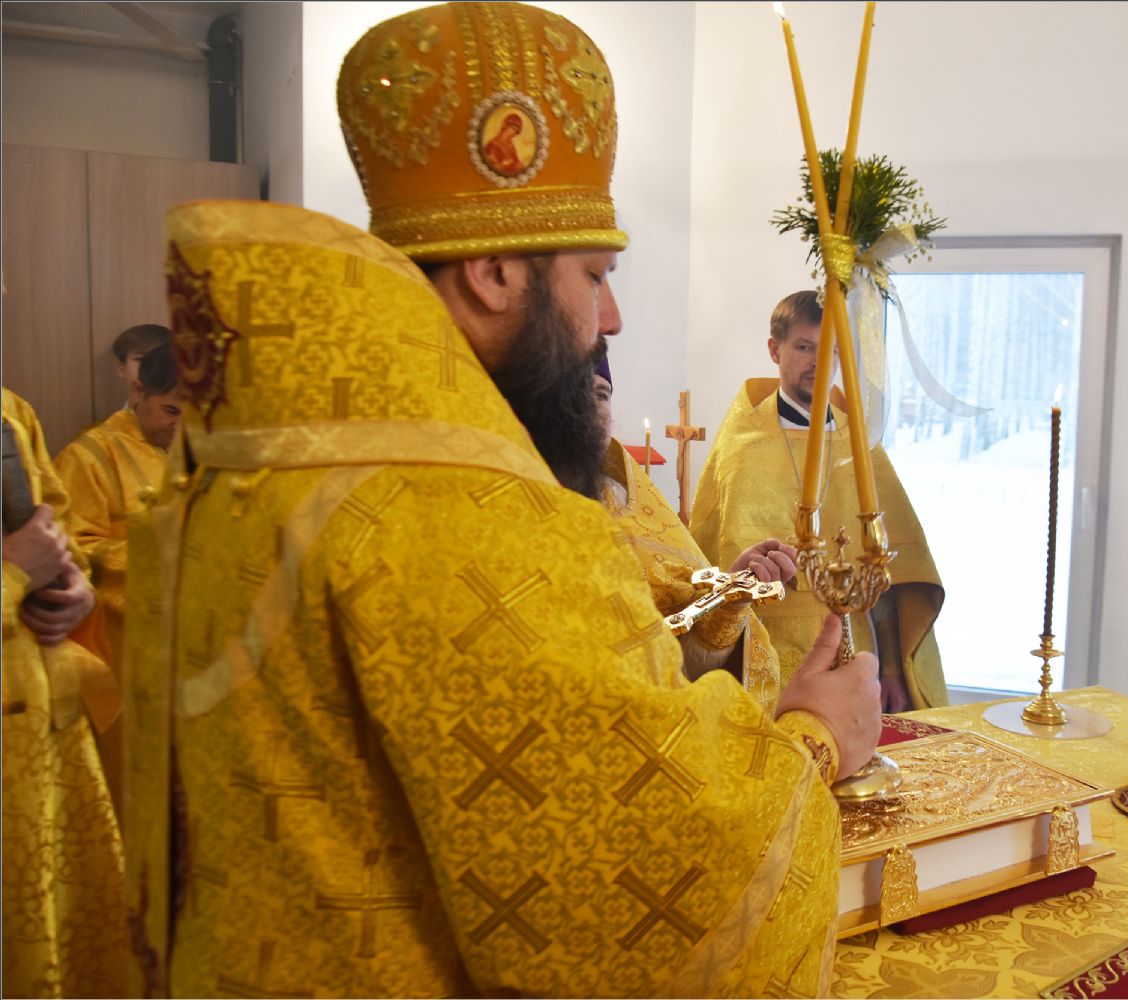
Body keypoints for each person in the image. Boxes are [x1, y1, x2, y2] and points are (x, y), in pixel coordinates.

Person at [122, 5, 879, 998]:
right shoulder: (465, 511)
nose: (613, 316)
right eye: (596, 275)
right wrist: (815, 737)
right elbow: (624, 886)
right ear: (493, 273)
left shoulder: (252, 459)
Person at [692, 290, 950, 711]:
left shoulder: (860, 447)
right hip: (763, 659)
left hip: (850, 650)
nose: (819, 362)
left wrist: (890, 669)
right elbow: (707, 563)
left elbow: (890, 574)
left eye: (830, 350)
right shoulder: (741, 447)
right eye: (804, 347)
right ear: (775, 350)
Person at [2, 387, 129, 997]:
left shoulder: (10, 410)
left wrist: (75, 584)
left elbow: (55, 527)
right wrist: (11, 573)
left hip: (43, 728)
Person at [593, 355, 791, 711]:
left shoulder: (633, 509)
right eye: (568, 390)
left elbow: (683, 671)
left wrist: (729, 600)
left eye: (600, 394)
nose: (588, 410)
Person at [57, 343, 183, 803]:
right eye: (171, 410)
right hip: (125, 640)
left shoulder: (207, 450)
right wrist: (163, 556)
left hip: (197, 640)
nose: (182, 427)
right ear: (138, 391)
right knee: (135, 774)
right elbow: (73, 547)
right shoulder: (89, 456)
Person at [110, 323, 171, 409]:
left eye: (162, 360)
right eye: (141, 359)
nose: (151, 368)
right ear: (122, 369)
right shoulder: (115, 419)